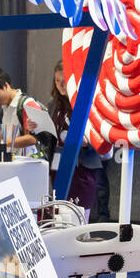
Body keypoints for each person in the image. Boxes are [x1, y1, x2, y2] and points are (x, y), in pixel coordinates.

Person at [44, 60, 102, 214]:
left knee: (79, 215)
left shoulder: (86, 100)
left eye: (64, 81)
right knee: (60, 215)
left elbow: (100, 133)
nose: (61, 85)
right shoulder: (53, 103)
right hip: (58, 163)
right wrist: (37, 127)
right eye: (57, 81)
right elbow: (50, 136)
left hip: (82, 165)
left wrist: (87, 142)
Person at [0, 68, 42, 157]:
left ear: (6, 85)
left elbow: (33, 138)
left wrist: (4, 143)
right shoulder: (4, 109)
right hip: (13, 162)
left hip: (29, 163)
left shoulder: (27, 104)